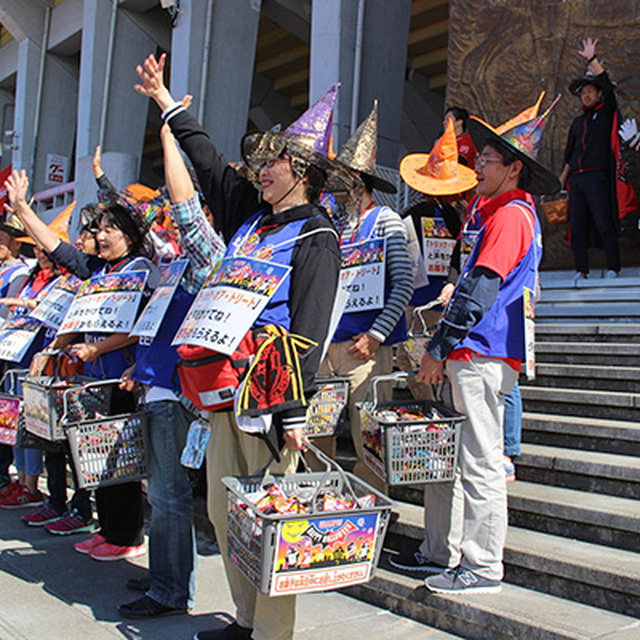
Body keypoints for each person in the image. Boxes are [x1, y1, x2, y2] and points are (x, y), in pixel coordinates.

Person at [135, 52, 346, 640]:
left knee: (270, 517)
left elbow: (308, 327)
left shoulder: (318, 235)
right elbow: (206, 164)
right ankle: (246, 619)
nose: (262, 172)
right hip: (222, 390)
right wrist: (166, 103)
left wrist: (294, 409)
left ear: (300, 171)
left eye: (274, 163)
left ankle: (271, 633)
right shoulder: (251, 218)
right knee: (226, 513)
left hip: (270, 396)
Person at [415, 103, 559, 594]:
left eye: (488, 159)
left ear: (514, 168)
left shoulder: (513, 214)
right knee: (473, 460)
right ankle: (465, 559)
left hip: (483, 350)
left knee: (480, 463)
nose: (477, 165)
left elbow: (480, 287)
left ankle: (480, 566)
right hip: (477, 351)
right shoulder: (496, 209)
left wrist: (438, 346)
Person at [5, 168, 159, 559]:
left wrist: (98, 349)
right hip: (92, 383)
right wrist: (22, 207)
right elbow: (59, 250)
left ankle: (127, 536)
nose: (100, 235)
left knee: (119, 462)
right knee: (95, 460)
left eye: (109, 228)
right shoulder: (100, 271)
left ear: (131, 235)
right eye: (99, 228)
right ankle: (107, 529)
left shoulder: (142, 271)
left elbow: (142, 326)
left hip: (121, 381)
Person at [116, 120, 225, 620]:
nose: (167, 216)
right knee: (160, 494)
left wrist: (166, 128)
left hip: (176, 394)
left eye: (174, 208)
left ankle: (169, 590)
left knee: (167, 495)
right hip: (155, 387)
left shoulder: (207, 257)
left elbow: (184, 213)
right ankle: (166, 574)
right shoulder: (172, 263)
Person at [314, 101, 414, 493]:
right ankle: (320, 503)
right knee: (315, 435)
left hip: (367, 351)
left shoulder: (387, 221)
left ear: (360, 182)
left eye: (343, 180)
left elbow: (403, 285)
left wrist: (375, 334)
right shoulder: (336, 228)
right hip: (329, 350)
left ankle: (372, 515)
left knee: (369, 440)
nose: (336, 188)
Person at [0, 243, 64, 509]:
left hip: (39, 359)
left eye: (45, 249)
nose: (41, 253)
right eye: (37, 249)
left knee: (35, 424)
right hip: (16, 354)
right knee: (13, 423)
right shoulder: (29, 277)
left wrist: (25, 303)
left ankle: (32, 486)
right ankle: (21, 479)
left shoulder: (61, 281)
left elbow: (49, 309)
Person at [559, 37, 620, 280]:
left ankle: (614, 267)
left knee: (604, 223)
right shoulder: (577, 122)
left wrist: (592, 59)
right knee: (577, 227)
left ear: (598, 94)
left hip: (597, 177)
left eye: (590, 91)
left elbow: (607, 85)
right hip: (576, 181)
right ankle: (581, 270)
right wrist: (562, 182)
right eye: (582, 92)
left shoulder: (605, 114)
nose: (586, 95)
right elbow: (569, 154)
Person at [0, 214, 30, 491]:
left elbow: (14, 310)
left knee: (11, 413)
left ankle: (9, 474)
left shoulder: (20, 272)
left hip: (12, 348)